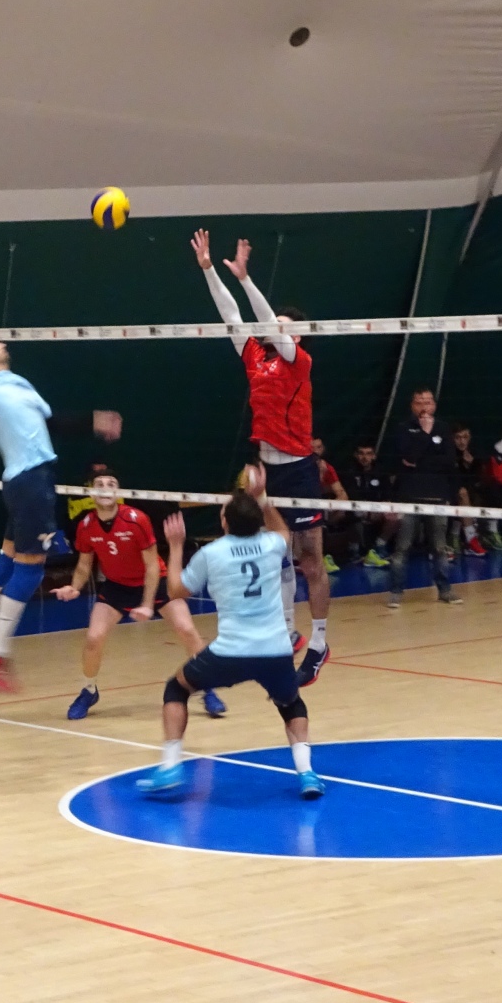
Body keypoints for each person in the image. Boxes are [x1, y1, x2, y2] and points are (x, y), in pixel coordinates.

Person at [0, 314, 121, 691]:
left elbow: (50, 425)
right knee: (31, 570)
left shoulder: (18, 383)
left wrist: (93, 422)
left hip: (31, 481)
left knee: (8, 560)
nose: (1, 343)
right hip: (30, 482)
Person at [191, 229, 331, 687]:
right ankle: (288, 633)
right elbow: (231, 316)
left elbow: (267, 321)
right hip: (268, 469)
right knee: (278, 555)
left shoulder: (298, 360)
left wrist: (246, 278)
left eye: (285, 325)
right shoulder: (255, 356)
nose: (276, 329)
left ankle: (320, 640)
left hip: (299, 468)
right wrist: (210, 271)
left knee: (311, 559)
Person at [136, 469, 325, 800]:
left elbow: (176, 590)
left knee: (176, 688)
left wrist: (176, 547)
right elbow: (283, 530)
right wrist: (262, 497)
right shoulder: (271, 545)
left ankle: (170, 767)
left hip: (230, 652)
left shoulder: (212, 553)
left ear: (224, 522)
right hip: (276, 650)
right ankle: (307, 773)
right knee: (290, 702)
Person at [51, 469, 227, 720]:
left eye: (111, 483)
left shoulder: (136, 520)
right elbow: (84, 564)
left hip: (155, 582)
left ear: (118, 492)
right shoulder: (86, 525)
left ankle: (207, 688)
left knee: (187, 630)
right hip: (117, 586)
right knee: (93, 638)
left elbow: (152, 566)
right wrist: (74, 587)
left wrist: (147, 604)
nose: (105, 488)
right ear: (91, 492)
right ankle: (89, 691)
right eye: (100, 484)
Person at [387, 388, 461, 608]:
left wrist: (420, 461)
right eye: (419, 402)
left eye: (428, 402)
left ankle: (445, 590)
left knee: (439, 547)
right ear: (412, 406)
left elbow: (449, 461)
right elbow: (408, 457)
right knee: (402, 546)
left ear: (434, 405)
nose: (424, 407)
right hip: (409, 496)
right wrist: (426, 435)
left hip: (437, 497)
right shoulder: (403, 428)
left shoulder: (444, 428)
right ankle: (396, 592)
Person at [450, 425, 492, 554]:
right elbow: (453, 480)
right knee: (463, 493)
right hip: (449, 491)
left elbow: (478, 479)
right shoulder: (448, 454)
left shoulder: (474, 454)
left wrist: (471, 465)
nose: (462, 441)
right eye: (458, 438)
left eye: (465, 437)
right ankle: (470, 539)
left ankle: (456, 536)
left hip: (470, 492)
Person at [311, 438, 344, 575]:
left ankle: (323, 557)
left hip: (319, 508)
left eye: (318, 447)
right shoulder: (299, 469)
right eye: (312, 448)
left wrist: (329, 508)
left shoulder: (327, 468)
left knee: (340, 511)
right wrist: (319, 476)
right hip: (300, 506)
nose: (315, 451)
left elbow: (343, 495)